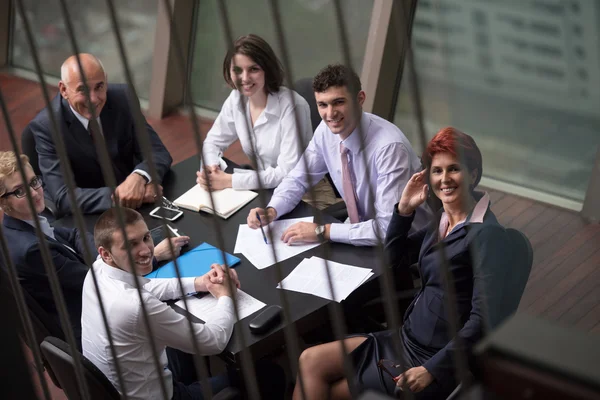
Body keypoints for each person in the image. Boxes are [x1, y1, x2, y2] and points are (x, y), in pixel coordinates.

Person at [293, 128, 511, 399]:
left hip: (434, 358)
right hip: (403, 338)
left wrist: (431, 369)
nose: (444, 179)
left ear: (473, 175)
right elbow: (393, 261)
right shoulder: (444, 218)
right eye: (437, 171)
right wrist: (404, 209)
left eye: (454, 169)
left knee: (330, 390)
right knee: (309, 360)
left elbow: (483, 321)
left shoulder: (487, 236)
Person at [0, 151, 188, 347]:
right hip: (88, 324)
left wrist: (104, 260)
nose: (33, 193)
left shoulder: (22, 223)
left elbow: (74, 234)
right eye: (19, 191)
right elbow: (98, 284)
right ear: (3, 202)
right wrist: (152, 255)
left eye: (33, 182)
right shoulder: (31, 250)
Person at [83, 207, 265, 400]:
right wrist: (226, 296)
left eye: (146, 238)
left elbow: (147, 287)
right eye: (131, 245)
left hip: (125, 385)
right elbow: (212, 342)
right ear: (106, 254)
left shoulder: (97, 271)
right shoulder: (133, 306)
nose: (146, 251)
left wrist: (200, 283)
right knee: (265, 373)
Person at [247, 64, 428, 246]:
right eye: (323, 105)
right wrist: (272, 209)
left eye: (339, 102)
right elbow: (298, 178)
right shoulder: (326, 132)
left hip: (404, 246)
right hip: (359, 231)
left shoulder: (389, 148)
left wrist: (321, 231)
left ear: (360, 99)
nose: (330, 114)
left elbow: (387, 228)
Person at [25, 53, 173, 216]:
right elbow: (64, 197)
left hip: (138, 205)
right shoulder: (48, 126)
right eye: (83, 90)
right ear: (64, 90)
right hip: (92, 214)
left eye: (99, 87)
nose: (94, 99)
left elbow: (158, 152)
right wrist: (122, 195)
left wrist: (140, 177)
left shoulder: (124, 98)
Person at [197, 34, 313, 191]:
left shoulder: (292, 107)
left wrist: (229, 181)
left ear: (267, 69)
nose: (245, 78)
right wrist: (210, 169)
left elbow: (287, 172)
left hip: (303, 192)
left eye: (253, 69)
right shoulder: (236, 99)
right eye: (237, 70)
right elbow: (213, 142)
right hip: (265, 187)